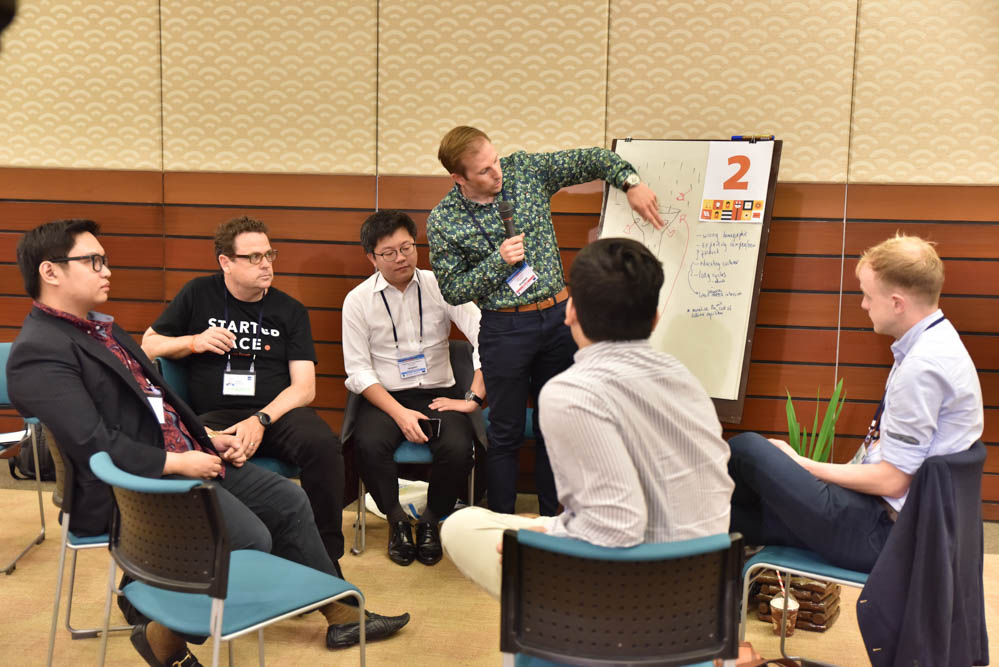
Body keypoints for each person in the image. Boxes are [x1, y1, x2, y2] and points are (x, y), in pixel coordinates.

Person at [6, 220, 409, 666]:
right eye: (94, 261)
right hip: (139, 482)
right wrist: (178, 461)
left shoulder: (100, 329)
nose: (107, 270)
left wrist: (205, 440)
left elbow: (156, 405)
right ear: (50, 271)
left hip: (189, 450)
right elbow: (93, 443)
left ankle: (341, 612)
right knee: (250, 539)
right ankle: (163, 636)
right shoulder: (39, 351)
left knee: (288, 501)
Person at [441, 237, 734, 599]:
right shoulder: (685, 378)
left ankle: (547, 605)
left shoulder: (569, 393)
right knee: (537, 524)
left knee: (462, 526)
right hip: (707, 589)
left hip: (627, 594)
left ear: (570, 313)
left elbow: (617, 528)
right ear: (655, 319)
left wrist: (545, 537)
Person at [427, 125, 665, 516]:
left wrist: (630, 182)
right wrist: (498, 262)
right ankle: (500, 529)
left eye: (495, 161)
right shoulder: (444, 219)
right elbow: (452, 289)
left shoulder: (524, 171)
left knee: (555, 427)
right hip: (504, 327)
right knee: (504, 434)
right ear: (459, 178)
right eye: (484, 170)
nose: (497, 173)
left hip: (558, 320)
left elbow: (591, 159)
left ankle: (556, 524)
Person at [728, 233, 984, 572]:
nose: (863, 305)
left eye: (868, 296)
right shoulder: (937, 340)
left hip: (884, 533)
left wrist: (803, 465)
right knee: (735, 517)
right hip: (888, 518)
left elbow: (893, 481)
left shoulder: (922, 367)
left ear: (897, 303)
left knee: (747, 449)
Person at [140, 216, 346, 568]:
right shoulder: (198, 294)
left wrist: (261, 419)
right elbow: (148, 345)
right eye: (253, 257)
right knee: (190, 450)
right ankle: (228, 549)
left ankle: (325, 558)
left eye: (269, 254)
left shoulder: (290, 310)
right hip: (215, 417)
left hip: (277, 415)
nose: (266, 264)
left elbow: (305, 388)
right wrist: (193, 341)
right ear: (226, 262)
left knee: (324, 446)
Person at [342, 210, 483, 566]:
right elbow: (358, 370)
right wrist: (400, 413)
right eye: (389, 252)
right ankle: (398, 521)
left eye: (407, 247)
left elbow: (485, 334)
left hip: (439, 394)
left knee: (458, 447)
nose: (401, 258)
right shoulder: (358, 300)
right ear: (371, 257)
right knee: (367, 445)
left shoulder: (442, 285)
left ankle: (432, 520)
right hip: (386, 398)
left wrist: (473, 397)